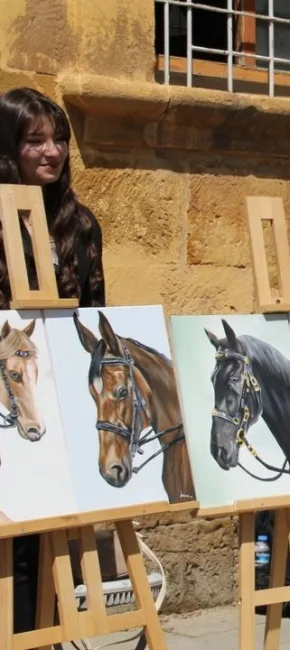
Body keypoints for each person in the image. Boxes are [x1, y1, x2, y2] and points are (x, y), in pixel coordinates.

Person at [0, 87, 106, 634]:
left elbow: (96, 312)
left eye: (59, 140)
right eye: (34, 141)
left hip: (61, 399)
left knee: (56, 542)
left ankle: (50, 637)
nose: (51, 152)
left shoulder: (80, 224)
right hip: (8, 406)